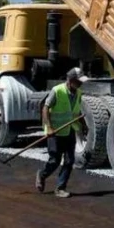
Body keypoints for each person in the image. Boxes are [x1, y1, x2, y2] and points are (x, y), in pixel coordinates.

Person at [36, 68, 88, 198]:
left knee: (69, 161)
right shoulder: (57, 91)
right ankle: (42, 175)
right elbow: (45, 108)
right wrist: (49, 127)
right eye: (78, 81)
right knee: (55, 160)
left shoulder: (79, 93)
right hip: (55, 132)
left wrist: (84, 125)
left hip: (69, 130)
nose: (81, 84)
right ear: (70, 80)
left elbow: (75, 111)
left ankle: (60, 188)